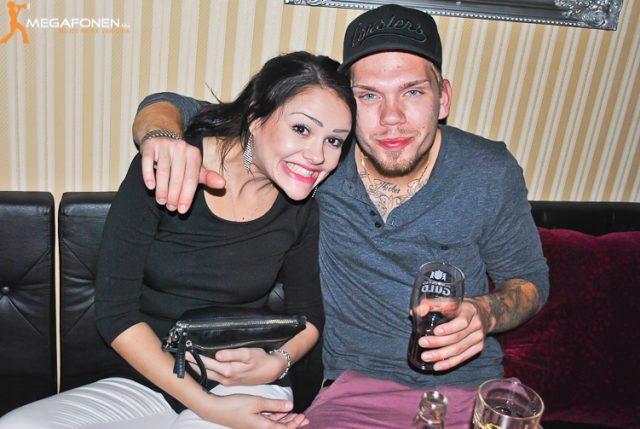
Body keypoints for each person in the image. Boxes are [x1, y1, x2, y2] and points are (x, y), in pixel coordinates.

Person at [129, 4, 549, 399]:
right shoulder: (321, 159)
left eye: (412, 92)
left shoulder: (488, 170)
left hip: (466, 390)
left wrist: (485, 312)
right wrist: (160, 137)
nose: (391, 117)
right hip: (354, 389)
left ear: (443, 99)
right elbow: (179, 107)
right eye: (369, 95)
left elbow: (529, 282)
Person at [0, 51, 355, 429]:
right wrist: (206, 405)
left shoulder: (302, 207)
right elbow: (115, 314)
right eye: (302, 129)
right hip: (150, 377)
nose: (318, 155)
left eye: (334, 141)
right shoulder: (172, 168)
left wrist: (275, 363)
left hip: (244, 380)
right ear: (255, 117)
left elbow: (308, 317)